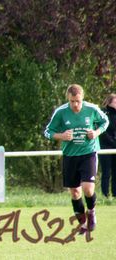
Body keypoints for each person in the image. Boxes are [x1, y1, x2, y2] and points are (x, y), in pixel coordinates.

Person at [44, 84, 109, 234]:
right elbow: (48, 131)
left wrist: (96, 132)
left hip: (89, 153)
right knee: (74, 192)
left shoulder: (92, 109)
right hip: (70, 156)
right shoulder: (61, 112)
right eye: (72, 101)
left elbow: (105, 122)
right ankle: (83, 225)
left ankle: (91, 211)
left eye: (78, 101)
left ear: (82, 98)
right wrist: (61, 136)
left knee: (88, 188)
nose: (75, 104)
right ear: (68, 99)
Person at [99, 94, 116, 198]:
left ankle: (115, 194)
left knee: (115, 172)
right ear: (109, 102)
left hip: (115, 148)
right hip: (105, 147)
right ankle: (105, 195)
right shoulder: (103, 114)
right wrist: (113, 143)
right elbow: (103, 132)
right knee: (106, 172)